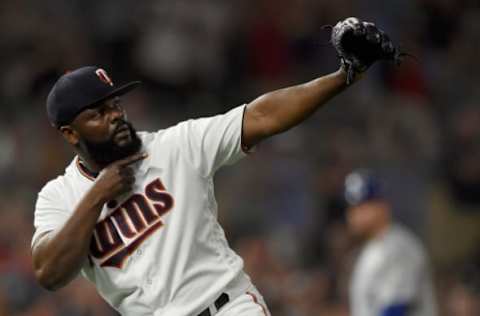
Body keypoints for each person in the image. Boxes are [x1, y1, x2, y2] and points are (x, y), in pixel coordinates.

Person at [31, 18, 397, 316]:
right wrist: (98, 195)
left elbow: (261, 115)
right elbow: (49, 272)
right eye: (98, 113)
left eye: (115, 105)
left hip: (226, 307)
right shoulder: (58, 198)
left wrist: (341, 78)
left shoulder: (174, 146)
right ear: (69, 133)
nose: (113, 116)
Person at [344, 170, 437, 316]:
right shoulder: (370, 250)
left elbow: (395, 310)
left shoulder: (399, 248)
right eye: (353, 208)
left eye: (364, 206)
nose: (356, 214)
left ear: (383, 206)